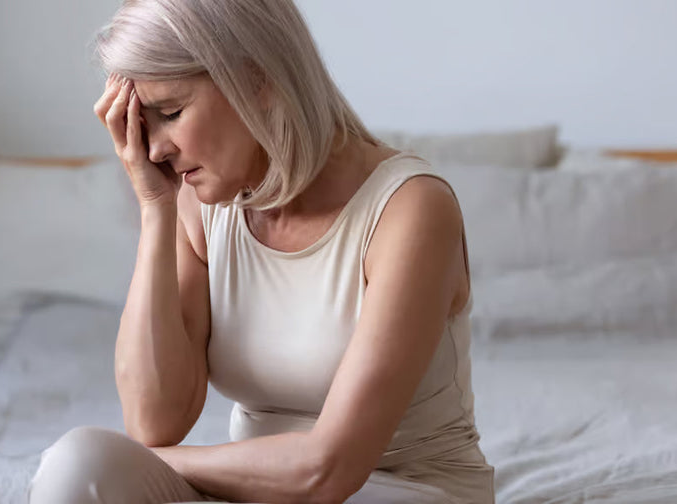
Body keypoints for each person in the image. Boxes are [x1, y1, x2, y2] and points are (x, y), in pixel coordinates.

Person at [28, 1, 493, 502]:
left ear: (259, 79)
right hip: (255, 492)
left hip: (396, 490)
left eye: (171, 113)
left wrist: (153, 466)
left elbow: (326, 470)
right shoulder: (198, 205)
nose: (156, 150)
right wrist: (154, 207)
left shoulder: (410, 208)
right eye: (144, 126)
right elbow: (153, 421)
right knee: (79, 464)